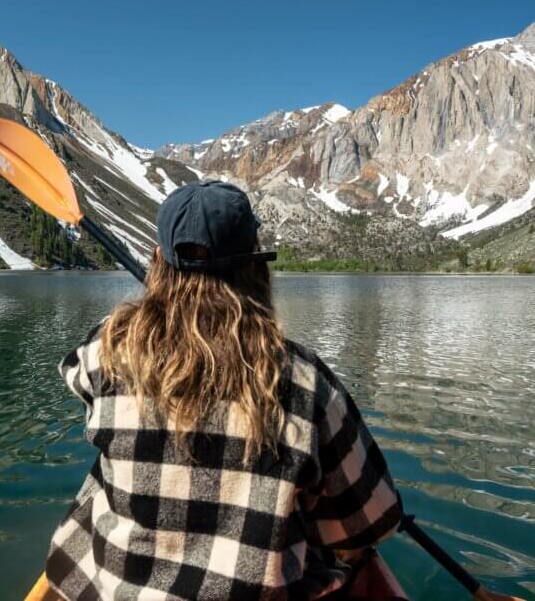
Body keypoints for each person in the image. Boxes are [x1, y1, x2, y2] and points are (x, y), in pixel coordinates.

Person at [43, 181, 402, 600]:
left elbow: (74, 370)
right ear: (255, 268)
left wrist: (152, 321)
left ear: (158, 264)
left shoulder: (108, 352)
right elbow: (374, 522)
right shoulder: (307, 384)